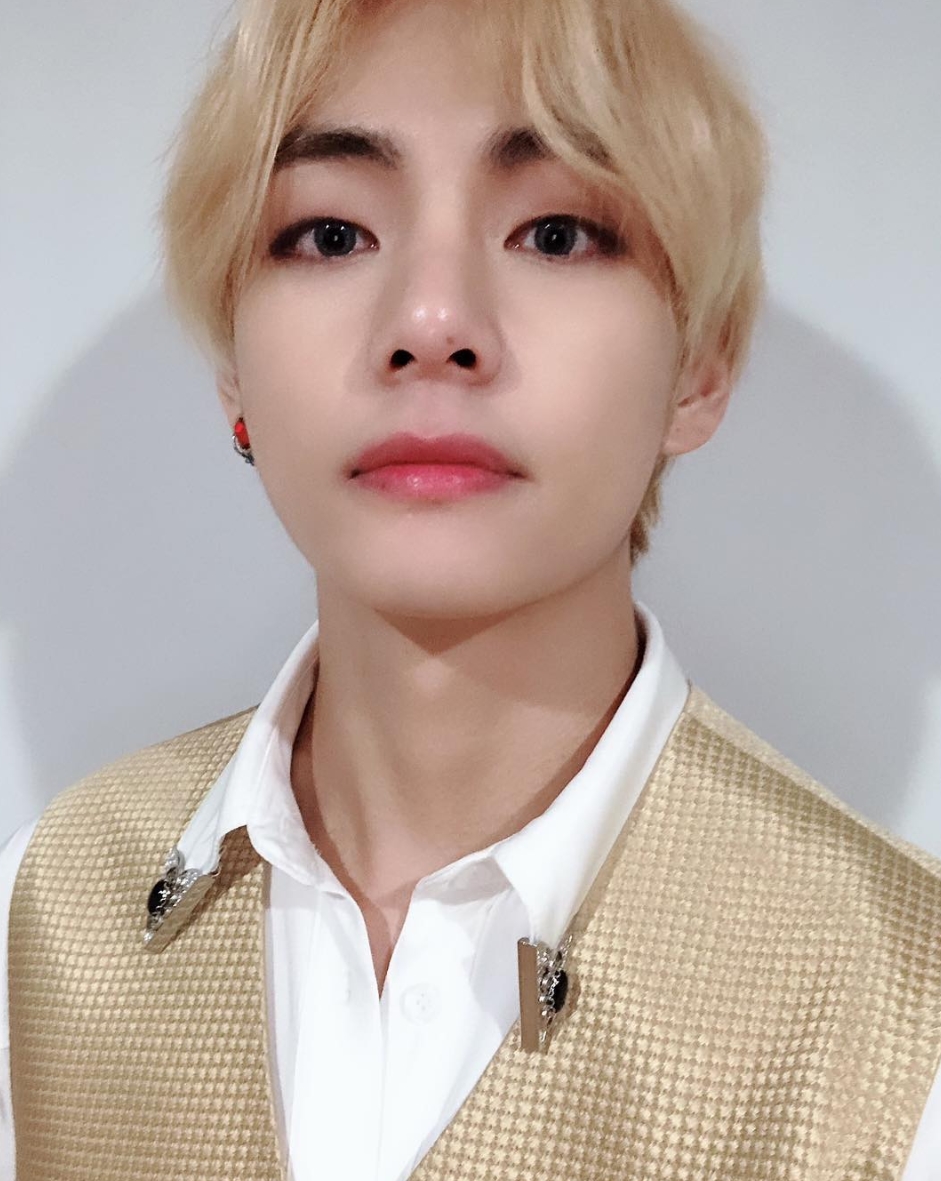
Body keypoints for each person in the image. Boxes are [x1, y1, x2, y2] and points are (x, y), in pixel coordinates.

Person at [2, 0, 939, 1176]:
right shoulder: (45, 918)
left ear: (698, 365)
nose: (431, 323)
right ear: (233, 367)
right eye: (330, 234)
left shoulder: (900, 1012)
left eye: (555, 232)